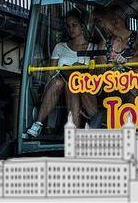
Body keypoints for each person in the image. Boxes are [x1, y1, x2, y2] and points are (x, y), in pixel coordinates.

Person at [25, 8, 96, 138]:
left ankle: (72, 130)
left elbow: (94, 73)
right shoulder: (60, 47)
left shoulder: (92, 47)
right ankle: (38, 123)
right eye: (68, 26)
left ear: (82, 26)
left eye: (74, 25)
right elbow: (51, 71)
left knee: (72, 85)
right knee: (59, 82)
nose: (71, 29)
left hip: (83, 85)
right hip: (60, 82)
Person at [93, 2, 138, 66]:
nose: (102, 26)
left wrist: (126, 62)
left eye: (103, 22)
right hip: (110, 76)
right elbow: (99, 68)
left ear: (115, 21)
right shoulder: (105, 43)